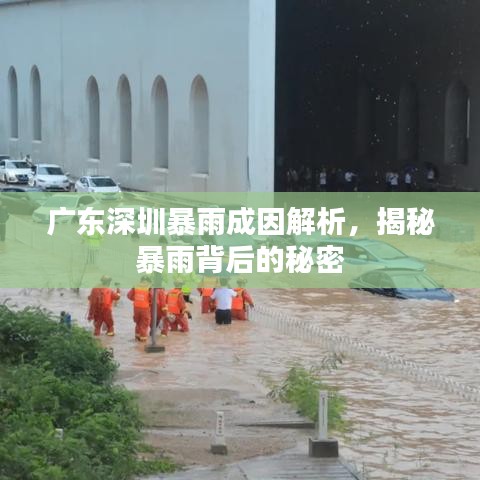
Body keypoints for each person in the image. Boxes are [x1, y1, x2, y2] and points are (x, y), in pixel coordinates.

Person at [127, 275, 152, 342]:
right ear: (148, 281)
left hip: (136, 308)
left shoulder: (135, 286)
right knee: (144, 324)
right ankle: (142, 342)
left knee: (138, 323)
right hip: (145, 308)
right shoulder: (149, 287)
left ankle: (137, 337)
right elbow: (152, 298)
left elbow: (129, 296)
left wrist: (136, 299)